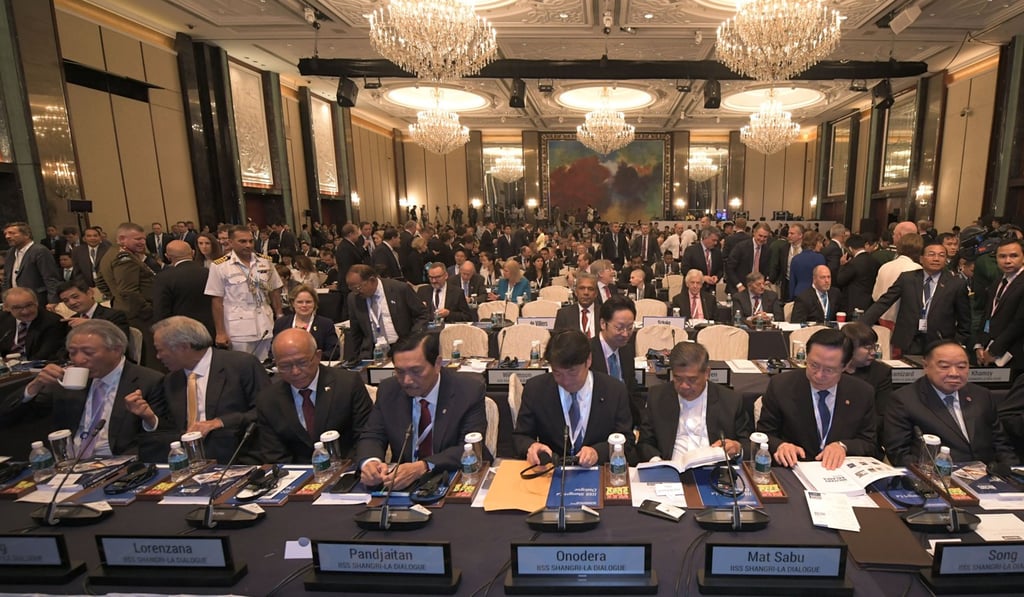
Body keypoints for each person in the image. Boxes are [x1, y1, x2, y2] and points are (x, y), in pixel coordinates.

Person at [0, 320, 165, 458]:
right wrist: (34, 386)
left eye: (88, 352)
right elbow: (8, 416)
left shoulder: (148, 381)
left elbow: (162, 435)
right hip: (68, 464)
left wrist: (148, 418)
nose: (79, 360)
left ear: (116, 350)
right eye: (72, 353)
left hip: (118, 462)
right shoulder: (65, 381)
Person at [356, 332, 488, 488]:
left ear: (438, 364)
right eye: (400, 372)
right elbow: (372, 435)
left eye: (416, 371)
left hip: (450, 479)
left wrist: (424, 466)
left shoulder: (468, 390)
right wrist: (371, 462)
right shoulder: (388, 390)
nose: (407, 380)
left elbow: (471, 448)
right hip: (402, 485)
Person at [153, 316, 269, 463]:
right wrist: (150, 418)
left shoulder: (241, 365)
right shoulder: (171, 380)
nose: (158, 356)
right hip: (189, 461)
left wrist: (220, 422)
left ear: (183, 347)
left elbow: (267, 412)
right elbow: (172, 428)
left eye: (160, 350)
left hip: (238, 456)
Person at [757, 328, 877, 469]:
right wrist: (781, 446)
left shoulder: (861, 392)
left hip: (840, 473)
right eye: (813, 365)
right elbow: (764, 434)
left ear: (845, 366)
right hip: (794, 469)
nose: (819, 375)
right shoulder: (781, 386)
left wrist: (843, 446)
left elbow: (869, 443)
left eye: (829, 370)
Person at [885, 341, 1017, 467]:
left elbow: (1001, 444)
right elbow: (899, 454)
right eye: (944, 367)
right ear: (926, 366)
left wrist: (1014, 474)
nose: (954, 373)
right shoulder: (904, 400)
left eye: (961, 367)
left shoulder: (982, 395)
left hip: (988, 476)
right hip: (938, 478)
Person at [514, 330, 636, 466]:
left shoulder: (614, 390)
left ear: (588, 360)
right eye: (557, 373)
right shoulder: (536, 389)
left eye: (572, 372)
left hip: (597, 472)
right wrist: (531, 447)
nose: (565, 381)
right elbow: (521, 436)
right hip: (550, 472)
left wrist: (598, 452)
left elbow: (628, 440)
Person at [255, 329, 372, 464]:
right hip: (296, 475)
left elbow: (365, 437)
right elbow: (274, 455)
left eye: (302, 362)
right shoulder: (268, 399)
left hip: (346, 468)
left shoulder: (347, 384)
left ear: (317, 356)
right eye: (285, 366)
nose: (295, 371)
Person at [637, 342, 750, 461]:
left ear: (707, 373)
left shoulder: (730, 401)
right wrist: (657, 463)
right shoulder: (657, 397)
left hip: (714, 470)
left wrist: (738, 448)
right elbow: (645, 443)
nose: (684, 386)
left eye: (692, 379)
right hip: (670, 467)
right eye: (678, 378)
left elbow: (747, 445)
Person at [861, 240, 971, 355]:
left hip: (940, 342)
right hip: (909, 339)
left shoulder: (956, 284)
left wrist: (958, 342)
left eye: (941, 255)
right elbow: (884, 302)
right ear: (921, 258)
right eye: (931, 254)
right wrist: (862, 324)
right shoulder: (907, 278)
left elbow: (965, 320)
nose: (936, 259)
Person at [206, 225, 284, 362]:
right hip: (239, 328)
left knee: (270, 366)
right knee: (242, 368)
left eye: (250, 241)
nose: (248, 245)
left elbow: (275, 290)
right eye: (242, 241)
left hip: (266, 323)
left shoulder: (265, 262)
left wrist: (280, 316)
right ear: (230, 242)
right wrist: (220, 332)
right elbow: (217, 300)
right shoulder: (220, 266)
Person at [344, 264, 429, 360]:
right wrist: (358, 357)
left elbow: (422, 315)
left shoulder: (400, 289)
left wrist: (413, 339)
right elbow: (356, 331)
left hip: (402, 348)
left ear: (372, 280)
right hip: (373, 353)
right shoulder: (353, 299)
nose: (356, 292)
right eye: (352, 289)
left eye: (358, 288)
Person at [589, 297, 644, 427]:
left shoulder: (627, 350)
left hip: (624, 420)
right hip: (596, 421)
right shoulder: (587, 352)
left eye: (630, 328)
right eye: (619, 328)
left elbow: (631, 388)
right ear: (603, 324)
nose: (625, 334)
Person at [95, 222, 156, 335]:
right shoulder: (124, 257)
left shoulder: (110, 253)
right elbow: (128, 291)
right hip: (138, 315)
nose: (143, 242)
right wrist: (147, 309)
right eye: (138, 239)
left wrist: (116, 298)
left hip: (125, 310)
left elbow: (100, 282)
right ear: (122, 239)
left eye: (143, 238)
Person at [975, 238, 1024, 373]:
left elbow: (1019, 324)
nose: (1007, 261)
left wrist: (994, 351)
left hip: (1014, 356)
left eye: (1014, 256)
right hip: (989, 351)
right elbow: (988, 315)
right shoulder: (999, 281)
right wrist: (980, 345)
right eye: (1002, 256)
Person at [841, 323, 893, 445]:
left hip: (864, 439)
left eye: (874, 347)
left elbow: (881, 415)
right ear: (850, 348)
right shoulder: (832, 370)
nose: (873, 352)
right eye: (868, 348)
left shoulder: (881, 372)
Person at [152, 240, 215, 338]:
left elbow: (161, 311)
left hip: (180, 333)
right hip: (211, 329)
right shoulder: (209, 273)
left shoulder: (163, 278)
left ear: (167, 256)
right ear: (193, 253)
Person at [871, 232, 924, 330]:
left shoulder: (885, 266)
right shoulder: (917, 269)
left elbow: (875, 296)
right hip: (902, 320)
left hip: (883, 317)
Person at [0, 288, 68, 361]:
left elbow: (44, 356)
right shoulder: (2, 318)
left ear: (37, 302)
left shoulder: (53, 322)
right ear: (6, 307)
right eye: (17, 308)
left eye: (29, 305)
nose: (25, 311)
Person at [273, 285, 339, 359]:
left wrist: (310, 358)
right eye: (300, 302)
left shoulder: (326, 324)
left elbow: (334, 352)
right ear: (293, 303)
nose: (304, 305)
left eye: (308, 302)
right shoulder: (281, 323)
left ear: (314, 303)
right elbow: (273, 352)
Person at [3, 222, 61, 304]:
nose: (7, 236)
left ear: (26, 235)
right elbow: (6, 278)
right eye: (5, 234)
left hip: (37, 300)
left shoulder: (39, 251)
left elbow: (50, 278)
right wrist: (6, 300)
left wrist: (53, 301)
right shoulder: (10, 253)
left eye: (12, 233)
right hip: (15, 302)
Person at [57, 279, 130, 339]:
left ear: (89, 293)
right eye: (66, 301)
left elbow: (120, 340)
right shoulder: (73, 320)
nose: (72, 302)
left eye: (75, 297)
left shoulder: (114, 315)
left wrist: (91, 324)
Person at [835, 233, 881, 314]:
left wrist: (842, 266)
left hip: (854, 303)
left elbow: (840, 280)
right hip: (871, 303)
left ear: (850, 248)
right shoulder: (876, 261)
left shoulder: (853, 263)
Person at [726, 222, 773, 294]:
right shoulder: (741, 247)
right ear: (754, 233)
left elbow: (766, 269)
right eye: (760, 236)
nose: (762, 239)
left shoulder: (767, 250)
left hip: (757, 289)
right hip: (739, 288)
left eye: (765, 237)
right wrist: (738, 285)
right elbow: (729, 268)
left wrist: (766, 280)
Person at [554, 273, 599, 337]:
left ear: (596, 293)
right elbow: (557, 343)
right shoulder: (563, 314)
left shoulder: (605, 314)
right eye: (582, 288)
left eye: (590, 289)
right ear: (575, 292)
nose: (586, 292)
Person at [681, 227, 723, 294]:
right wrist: (702, 278)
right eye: (713, 240)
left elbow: (720, 269)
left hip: (710, 291)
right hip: (693, 290)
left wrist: (717, 277)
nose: (715, 243)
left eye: (716, 241)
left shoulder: (717, 252)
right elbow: (685, 269)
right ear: (705, 238)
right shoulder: (691, 250)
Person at [788, 230, 826, 299]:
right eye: (820, 242)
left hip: (798, 294)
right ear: (814, 243)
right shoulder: (820, 258)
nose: (821, 245)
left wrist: (791, 298)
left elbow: (792, 282)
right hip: (814, 295)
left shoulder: (795, 259)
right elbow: (822, 279)